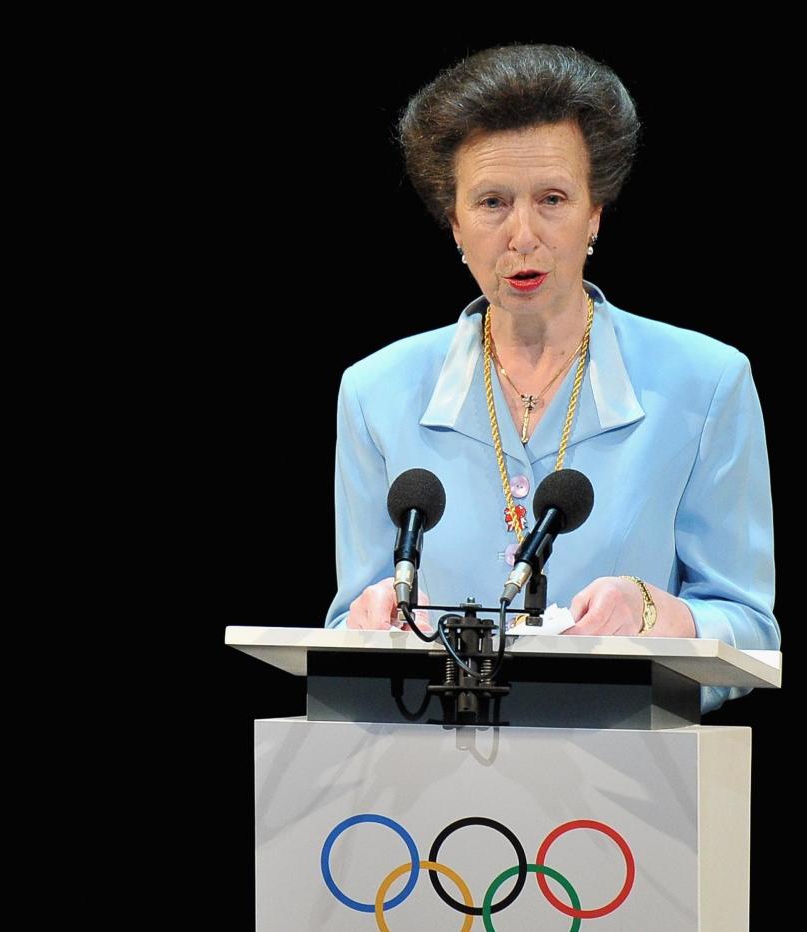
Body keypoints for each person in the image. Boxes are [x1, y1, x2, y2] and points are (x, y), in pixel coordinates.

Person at [323, 43, 779, 713]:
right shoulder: (376, 393)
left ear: (595, 214)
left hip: (628, 789)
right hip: (426, 778)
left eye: (554, 199)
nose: (523, 234)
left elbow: (752, 636)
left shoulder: (705, 385)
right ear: (453, 223)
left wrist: (656, 613)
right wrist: (370, 619)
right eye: (492, 203)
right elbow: (348, 626)